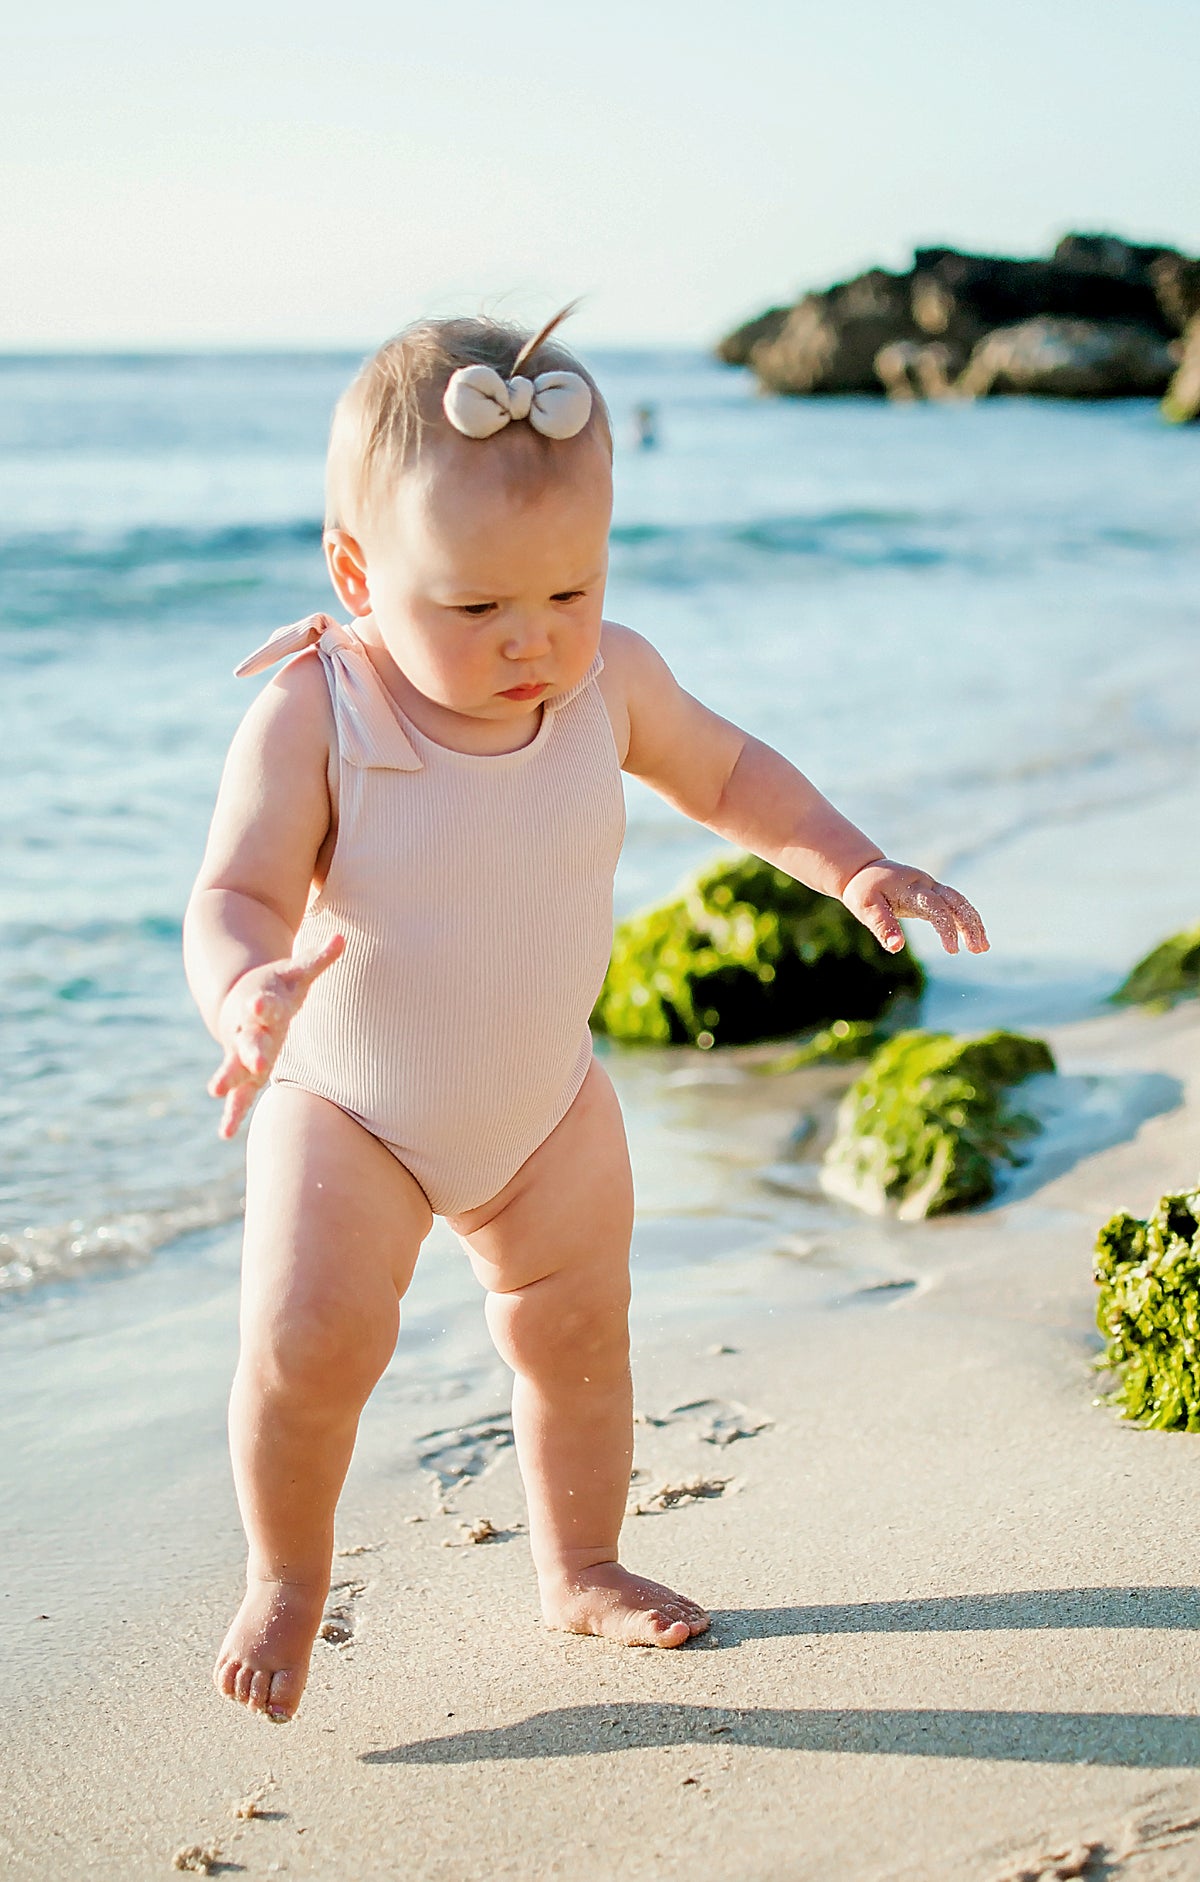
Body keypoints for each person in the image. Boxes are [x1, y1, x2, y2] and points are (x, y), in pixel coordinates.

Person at [183, 308, 989, 1727]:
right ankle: (287, 1575)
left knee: (576, 1336)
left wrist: (854, 863)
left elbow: (731, 776)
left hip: (544, 1105)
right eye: (476, 608)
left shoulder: (610, 679)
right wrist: (247, 987)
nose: (534, 638)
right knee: (311, 1346)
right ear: (357, 573)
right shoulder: (319, 710)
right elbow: (235, 891)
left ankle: (583, 1562)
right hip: (349, 1102)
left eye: (572, 587)